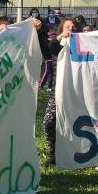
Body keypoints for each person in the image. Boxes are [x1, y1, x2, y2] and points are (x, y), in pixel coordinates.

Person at [42, 17, 76, 167]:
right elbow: (51, 46)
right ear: (62, 30)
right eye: (67, 27)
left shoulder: (83, 45)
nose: (71, 30)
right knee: (49, 122)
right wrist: (60, 38)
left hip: (78, 92)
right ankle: (53, 154)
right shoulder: (58, 45)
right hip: (57, 92)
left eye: (73, 28)